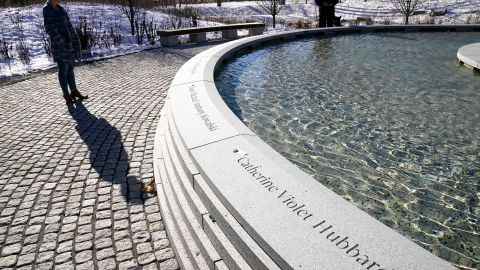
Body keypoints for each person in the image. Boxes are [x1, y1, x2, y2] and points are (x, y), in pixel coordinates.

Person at [43, 0, 88, 104]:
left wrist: (74, 38)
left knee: (71, 69)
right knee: (63, 70)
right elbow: (50, 28)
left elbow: (69, 26)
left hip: (70, 43)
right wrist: (62, 42)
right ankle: (66, 94)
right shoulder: (47, 9)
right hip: (60, 46)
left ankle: (74, 91)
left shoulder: (60, 8)